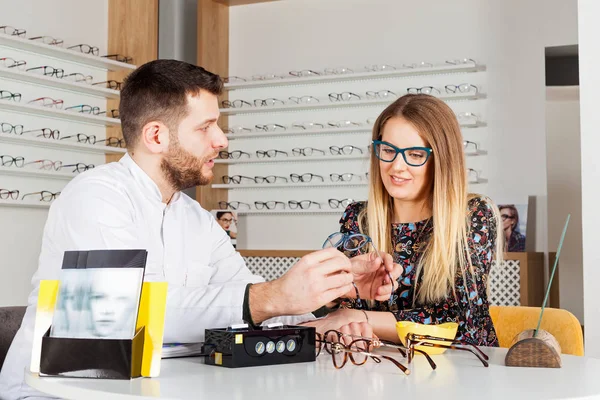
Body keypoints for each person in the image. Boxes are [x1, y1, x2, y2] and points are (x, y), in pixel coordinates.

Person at [0, 60, 401, 399]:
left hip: (159, 388)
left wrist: (329, 296)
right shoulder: (94, 199)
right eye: (206, 127)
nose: (222, 140)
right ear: (156, 135)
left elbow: (249, 305)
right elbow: (131, 318)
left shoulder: (193, 218)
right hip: (58, 393)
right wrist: (274, 297)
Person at [306, 94, 503, 346]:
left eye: (415, 154)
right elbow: (336, 314)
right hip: (377, 370)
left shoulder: (473, 214)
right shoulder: (358, 217)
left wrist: (356, 317)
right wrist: (332, 298)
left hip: (463, 372)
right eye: (388, 150)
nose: (397, 166)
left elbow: (461, 325)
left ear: (441, 160)